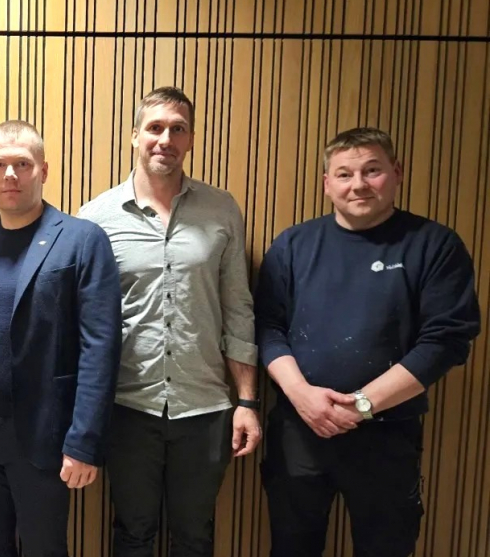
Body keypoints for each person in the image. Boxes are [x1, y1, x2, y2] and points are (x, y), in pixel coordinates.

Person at [255, 127, 481, 557]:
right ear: (327, 184)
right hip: (299, 429)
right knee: (291, 547)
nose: (358, 184)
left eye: (372, 171)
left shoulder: (435, 245)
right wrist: (301, 395)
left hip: (387, 433)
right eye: (344, 174)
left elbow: (446, 340)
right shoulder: (293, 245)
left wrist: (361, 405)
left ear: (397, 173)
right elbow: (267, 328)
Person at [78, 86, 262, 557]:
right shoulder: (95, 218)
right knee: (132, 532)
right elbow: (83, 324)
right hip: (127, 405)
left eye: (178, 129)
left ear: (191, 139)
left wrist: (246, 401)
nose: (165, 139)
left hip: (204, 407)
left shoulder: (221, 209)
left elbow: (238, 307)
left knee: (195, 535)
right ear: (134, 136)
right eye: (155, 128)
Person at [0, 120, 121, 557]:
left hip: (43, 434)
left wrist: (85, 440)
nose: (10, 175)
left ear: (43, 171)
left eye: (22, 164)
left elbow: (101, 347)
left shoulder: (82, 240)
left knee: (43, 548)